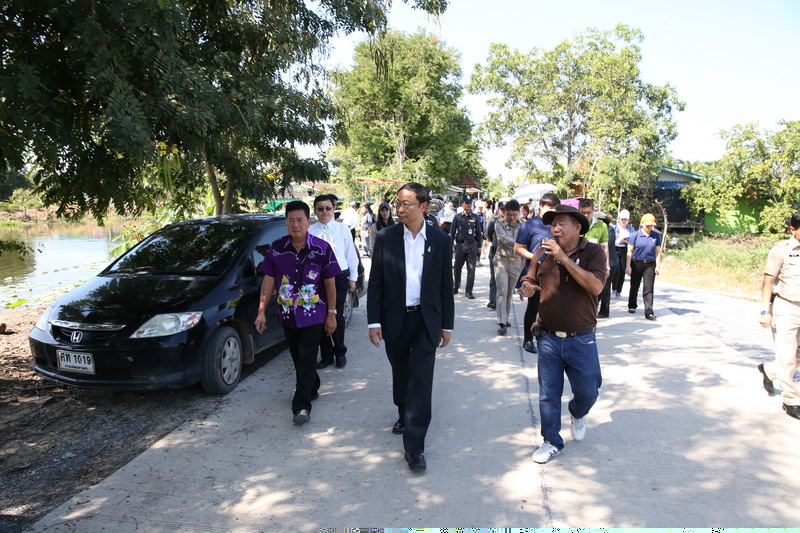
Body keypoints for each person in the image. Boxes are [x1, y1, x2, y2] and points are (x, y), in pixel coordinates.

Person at [367, 182, 455, 472]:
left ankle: (414, 448)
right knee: (401, 372)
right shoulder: (386, 237)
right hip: (395, 318)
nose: (399, 209)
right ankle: (403, 411)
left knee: (421, 380)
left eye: (406, 204)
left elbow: (445, 285)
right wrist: (374, 321)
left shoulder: (440, 240)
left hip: (426, 320)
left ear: (424, 207)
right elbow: (376, 282)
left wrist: (447, 325)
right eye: (398, 203)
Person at [519, 205, 606, 464]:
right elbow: (529, 278)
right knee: (548, 393)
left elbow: (596, 286)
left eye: (561, 223)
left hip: (582, 338)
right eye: (553, 224)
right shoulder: (542, 252)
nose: (555, 229)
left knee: (588, 391)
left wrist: (564, 260)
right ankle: (551, 441)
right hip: (548, 337)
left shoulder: (593, 252)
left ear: (577, 227)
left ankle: (578, 412)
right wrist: (527, 288)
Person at [255, 201, 340, 425]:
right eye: (291, 220)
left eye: (300, 220)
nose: (296, 225)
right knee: (298, 358)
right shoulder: (276, 248)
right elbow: (268, 281)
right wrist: (261, 311)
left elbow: (330, 284)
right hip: (287, 314)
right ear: (285, 222)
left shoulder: (322, 248)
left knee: (307, 357)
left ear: (309, 222)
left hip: (314, 314)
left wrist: (331, 314)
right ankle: (312, 385)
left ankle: (301, 406)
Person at [757, 212, 800, 421]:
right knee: (787, 355)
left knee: (793, 358)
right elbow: (767, 282)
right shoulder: (781, 251)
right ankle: (791, 400)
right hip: (787, 307)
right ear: (792, 229)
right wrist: (765, 311)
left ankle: (769, 370)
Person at [309, 195, 360, 369]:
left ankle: (340, 352)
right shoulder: (310, 231)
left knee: (336, 315)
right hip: (317, 278)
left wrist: (353, 278)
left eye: (328, 208)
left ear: (333, 209)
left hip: (339, 276)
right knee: (319, 317)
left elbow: (351, 255)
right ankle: (326, 355)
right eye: (320, 208)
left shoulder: (342, 229)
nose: (324, 211)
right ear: (315, 211)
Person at [514, 193, 561, 353]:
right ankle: (528, 340)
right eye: (549, 207)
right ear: (541, 206)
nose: (552, 211)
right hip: (535, 273)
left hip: (555, 273)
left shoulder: (558, 225)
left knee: (552, 307)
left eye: (555, 208)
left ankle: (548, 339)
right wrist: (535, 257)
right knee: (533, 306)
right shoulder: (529, 225)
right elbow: (518, 248)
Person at [494, 200, 523, 335]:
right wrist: (520, 245)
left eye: (514, 215)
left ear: (519, 213)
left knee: (510, 292)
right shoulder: (499, 224)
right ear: (505, 212)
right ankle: (502, 322)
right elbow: (503, 239)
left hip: (516, 262)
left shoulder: (523, 225)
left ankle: (504, 317)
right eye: (509, 214)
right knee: (502, 291)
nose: (512, 217)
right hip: (502, 261)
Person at [626, 213, 662, 320]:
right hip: (637, 263)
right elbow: (630, 251)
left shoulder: (656, 235)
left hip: (650, 264)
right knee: (634, 285)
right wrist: (628, 266)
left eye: (651, 225)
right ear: (642, 223)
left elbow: (657, 252)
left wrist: (658, 266)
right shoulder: (635, 235)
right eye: (647, 224)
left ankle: (649, 311)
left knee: (648, 288)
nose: (649, 226)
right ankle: (632, 305)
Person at [450, 197, 483, 299]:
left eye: (469, 203)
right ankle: (456, 286)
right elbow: (452, 232)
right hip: (460, 245)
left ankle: (469, 291)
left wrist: (479, 246)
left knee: (471, 269)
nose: (468, 205)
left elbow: (478, 232)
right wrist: (451, 243)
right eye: (466, 203)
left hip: (472, 245)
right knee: (457, 268)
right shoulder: (457, 217)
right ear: (462, 204)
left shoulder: (475, 217)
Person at [596, 212, 619, 318]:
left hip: (610, 262)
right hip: (597, 262)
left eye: (602, 220)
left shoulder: (610, 230)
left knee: (605, 288)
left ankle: (604, 311)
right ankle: (593, 309)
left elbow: (605, 244)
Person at [485, 201, 507, 310]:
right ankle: (493, 301)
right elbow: (488, 234)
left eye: (505, 209)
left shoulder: (511, 222)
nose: (504, 211)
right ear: (498, 210)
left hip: (506, 254)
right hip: (495, 252)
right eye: (502, 209)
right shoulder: (494, 221)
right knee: (494, 278)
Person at [612, 209, 633, 298]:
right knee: (617, 270)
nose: (624, 221)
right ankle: (614, 289)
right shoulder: (614, 228)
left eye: (626, 220)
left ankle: (619, 291)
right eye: (622, 219)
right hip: (616, 249)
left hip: (625, 250)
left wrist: (624, 240)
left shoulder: (630, 229)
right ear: (619, 219)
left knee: (622, 271)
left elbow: (632, 241)